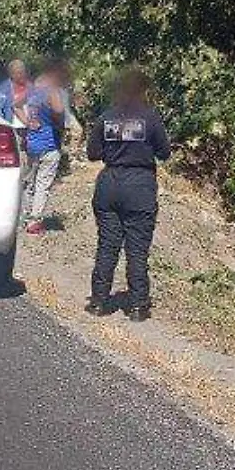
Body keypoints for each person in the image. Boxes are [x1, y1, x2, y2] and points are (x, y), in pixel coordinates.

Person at [85, 67, 169, 321]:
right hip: (140, 186)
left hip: (109, 185)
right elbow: (164, 152)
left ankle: (99, 302)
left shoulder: (107, 118)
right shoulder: (150, 118)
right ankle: (137, 307)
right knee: (137, 250)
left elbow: (92, 153)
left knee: (108, 246)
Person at [21, 67, 67, 234]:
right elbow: (60, 113)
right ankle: (34, 221)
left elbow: (15, 106)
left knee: (28, 183)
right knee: (42, 184)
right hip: (49, 145)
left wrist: (27, 122)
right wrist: (61, 126)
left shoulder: (31, 94)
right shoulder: (52, 94)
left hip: (32, 145)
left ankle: (25, 216)